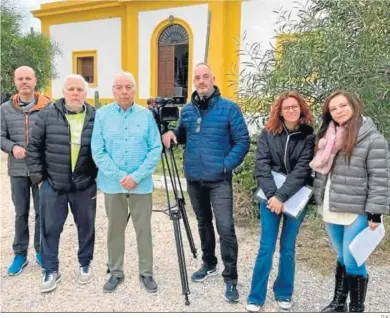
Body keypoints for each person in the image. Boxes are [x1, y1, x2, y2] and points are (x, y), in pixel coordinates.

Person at [162, 63, 250, 302]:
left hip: (219, 180)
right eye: (197, 78)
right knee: (203, 223)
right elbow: (182, 135)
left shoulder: (229, 108)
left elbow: (242, 140)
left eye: (205, 77)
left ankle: (230, 277)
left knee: (225, 228)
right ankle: (208, 262)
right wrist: (172, 134)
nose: (201, 81)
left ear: (213, 78)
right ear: (194, 82)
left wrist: (225, 164)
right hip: (194, 179)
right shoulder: (188, 110)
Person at [310, 90, 389, 312]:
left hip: (358, 211)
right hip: (331, 206)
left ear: (353, 105)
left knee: (354, 260)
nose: (338, 111)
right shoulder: (327, 137)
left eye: (342, 106)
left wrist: (375, 213)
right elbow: (322, 174)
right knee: (342, 257)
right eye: (333, 109)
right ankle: (338, 303)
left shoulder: (373, 140)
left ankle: (356, 309)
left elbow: (380, 178)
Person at [91, 71, 162, 293]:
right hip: (113, 184)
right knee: (115, 229)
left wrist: (136, 176)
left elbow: (155, 148)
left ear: (134, 89)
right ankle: (115, 271)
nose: (124, 91)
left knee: (144, 229)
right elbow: (98, 151)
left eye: (128, 87)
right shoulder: (102, 116)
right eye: (119, 87)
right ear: (113, 90)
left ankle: (146, 272)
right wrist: (120, 176)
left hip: (141, 185)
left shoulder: (146, 116)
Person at [26, 74, 97, 293]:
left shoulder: (95, 117)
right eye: (71, 89)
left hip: (84, 185)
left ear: (85, 94)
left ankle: (85, 263)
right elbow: (33, 149)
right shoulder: (47, 115)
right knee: (49, 228)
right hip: (53, 184)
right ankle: (50, 269)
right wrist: (39, 180)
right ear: (63, 92)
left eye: (79, 90)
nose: (75, 93)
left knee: (86, 227)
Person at [246, 91, 315, 312]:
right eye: (287, 107)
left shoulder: (308, 136)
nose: (292, 110)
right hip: (269, 196)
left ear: (301, 109)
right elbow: (262, 165)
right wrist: (272, 196)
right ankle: (256, 296)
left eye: (295, 106)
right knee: (266, 247)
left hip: (295, 196)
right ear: (280, 111)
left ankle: (284, 292)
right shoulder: (268, 132)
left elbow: (302, 170)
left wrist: (282, 196)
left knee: (288, 248)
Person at [1, 66, 51, 276]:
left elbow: (56, 134)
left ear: (35, 80)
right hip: (18, 171)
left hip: (42, 171)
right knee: (21, 213)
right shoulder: (4, 109)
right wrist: (12, 147)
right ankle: (20, 254)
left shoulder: (49, 106)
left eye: (28, 78)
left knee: (43, 213)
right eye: (20, 79)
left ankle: (41, 252)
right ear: (15, 82)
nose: (24, 82)